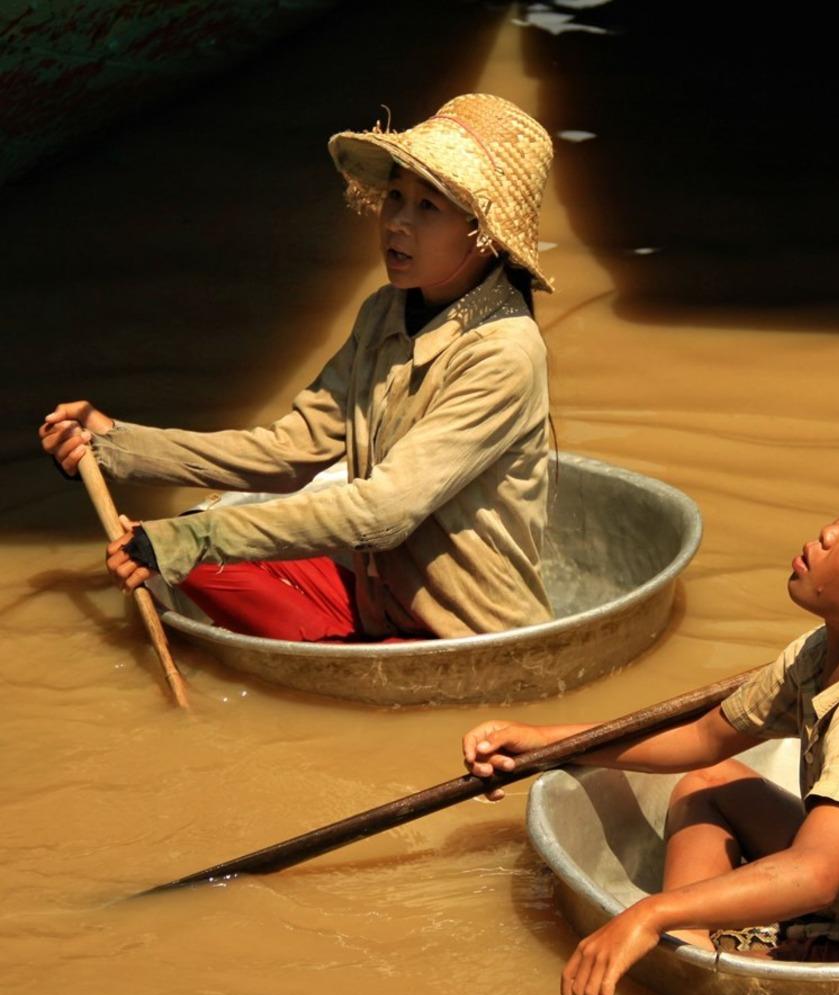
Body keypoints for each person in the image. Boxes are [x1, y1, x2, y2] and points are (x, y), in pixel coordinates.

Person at [463, 465, 839, 995]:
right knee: (708, 784)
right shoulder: (822, 651)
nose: (828, 533)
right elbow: (703, 737)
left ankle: (687, 949)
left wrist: (646, 913)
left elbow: (814, 874)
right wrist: (544, 743)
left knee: (756, 933)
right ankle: (692, 944)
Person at [38, 94, 555, 642]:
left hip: (464, 634)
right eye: (395, 197)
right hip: (377, 604)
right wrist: (118, 446)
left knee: (186, 544)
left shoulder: (503, 353)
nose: (397, 224)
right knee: (189, 546)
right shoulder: (384, 312)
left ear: (483, 233)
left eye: (428, 207)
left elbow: (383, 514)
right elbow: (288, 453)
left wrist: (182, 542)